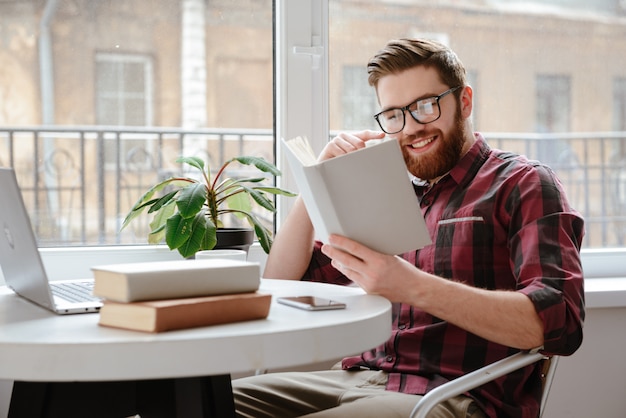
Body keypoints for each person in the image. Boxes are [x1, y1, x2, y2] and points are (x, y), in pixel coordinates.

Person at [232, 38, 585, 418]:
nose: (412, 127)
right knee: (202, 401)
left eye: (425, 106)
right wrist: (316, 180)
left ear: (464, 102)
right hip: (358, 377)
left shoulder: (523, 183)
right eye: (394, 114)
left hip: (451, 396)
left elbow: (560, 324)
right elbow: (285, 280)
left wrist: (411, 286)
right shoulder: (389, 193)